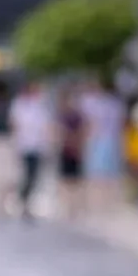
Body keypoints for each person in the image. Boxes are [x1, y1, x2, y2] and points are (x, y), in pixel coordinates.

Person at [8, 80, 53, 220]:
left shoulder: (41, 105)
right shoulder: (19, 104)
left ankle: (27, 202)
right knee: (27, 174)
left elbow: (46, 125)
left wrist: (47, 143)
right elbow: (14, 123)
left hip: (37, 145)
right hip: (25, 144)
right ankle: (22, 201)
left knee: (35, 175)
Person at [79, 77, 126, 210]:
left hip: (103, 139)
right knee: (102, 173)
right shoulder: (110, 103)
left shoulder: (107, 104)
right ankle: (103, 202)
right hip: (103, 139)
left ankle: (102, 202)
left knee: (102, 173)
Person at [57, 87, 86, 219]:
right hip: (65, 149)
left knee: (75, 179)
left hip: (75, 150)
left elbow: (83, 130)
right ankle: (66, 206)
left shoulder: (77, 116)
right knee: (65, 179)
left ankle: (74, 206)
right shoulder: (61, 115)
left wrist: (76, 141)